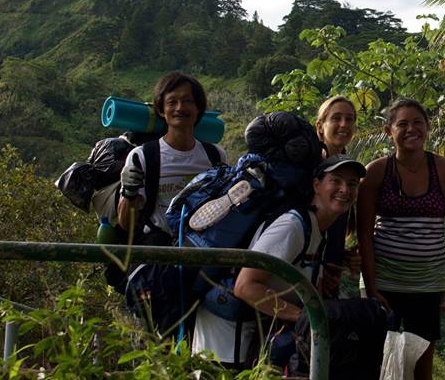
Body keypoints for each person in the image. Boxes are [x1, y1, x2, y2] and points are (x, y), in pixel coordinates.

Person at [191, 154, 365, 366]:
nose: (344, 190)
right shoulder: (293, 226)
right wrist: (305, 318)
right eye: (335, 181)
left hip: (253, 333)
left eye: (352, 184)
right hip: (226, 338)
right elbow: (245, 287)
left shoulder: (320, 228)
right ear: (317, 184)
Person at [358, 98, 445, 380]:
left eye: (418, 122)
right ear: (388, 131)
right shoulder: (376, 172)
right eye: (402, 124)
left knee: (421, 363)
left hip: (426, 284)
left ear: (427, 128)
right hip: (383, 282)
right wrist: (371, 286)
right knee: (377, 360)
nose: (411, 129)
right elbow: (364, 234)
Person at [118, 71, 226, 239]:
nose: (179, 108)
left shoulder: (215, 155)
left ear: (198, 108)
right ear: (162, 110)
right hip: (160, 252)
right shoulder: (142, 156)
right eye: (172, 102)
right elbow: (126, 224)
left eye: (187, 101)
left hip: (204, 250)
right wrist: (129, 192)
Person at [315, 95, 361, 298]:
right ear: (320, 125)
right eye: (336, 118)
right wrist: (315, 271)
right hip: (304, 279)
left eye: (350, 119)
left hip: (330, 280)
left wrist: (342, 256)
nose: (344, 124)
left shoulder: (351, 170)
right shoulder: (308, 168)